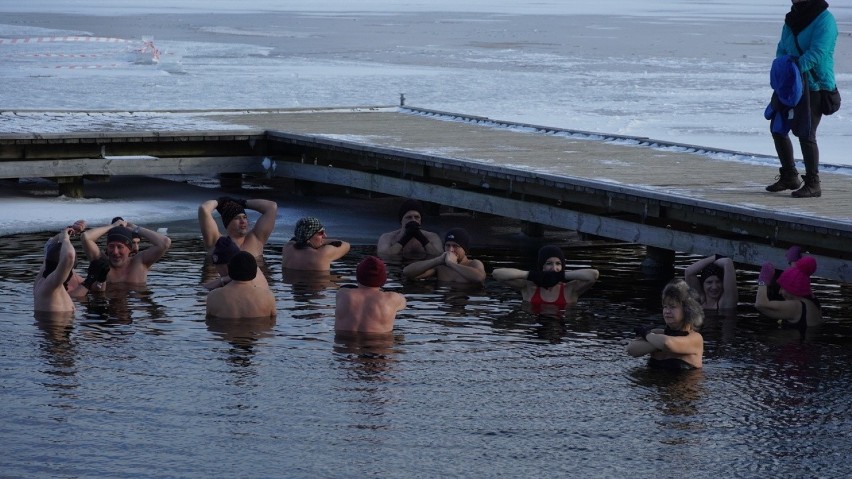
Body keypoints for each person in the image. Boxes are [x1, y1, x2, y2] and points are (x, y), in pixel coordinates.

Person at [765, 0, 837, 198]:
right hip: (790, 83)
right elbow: (782, 47)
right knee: (777, 128)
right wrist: (784, 68)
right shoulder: (792, 19)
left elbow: (819, 52)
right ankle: (789, 176)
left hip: (815, 85)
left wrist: (795, 68)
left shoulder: (825, 20)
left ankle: (813, 183)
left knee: (806, 133)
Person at [625, 278, 705, 370]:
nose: (667, 311)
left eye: (672, 307)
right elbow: (631, 349)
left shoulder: (695, 338)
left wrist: (646, 334)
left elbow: (667, 343)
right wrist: (656, 341)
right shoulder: (657, 334)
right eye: (665, 307)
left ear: (688, 310)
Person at [492, 245, 599, 307]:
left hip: (561, 332)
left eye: (558, 264)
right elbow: (497, 274)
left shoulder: (570, 289)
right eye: (549, 263)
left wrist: (562, 276)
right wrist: (530, 275)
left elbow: (593, 275)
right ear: (541, 266)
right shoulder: (528, 287)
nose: (554, 268)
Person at [80, 218, 171, 288]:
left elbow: (165, 243)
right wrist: (112, 226)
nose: (115, 252)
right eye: (111, 246)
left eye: (120, 247)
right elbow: (86, 237)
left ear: (130, 248)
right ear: (107, 247)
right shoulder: (101, 262)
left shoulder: (140, 262)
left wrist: (135, 228)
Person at [335, 256, 406, 333]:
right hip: (379, 342)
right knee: (400, 338)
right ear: (383, 278)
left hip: (344, 342)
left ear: (358, 276)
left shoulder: (342, 294)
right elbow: (403, 303)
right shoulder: (392, 298)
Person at [198, 196, 278, 260]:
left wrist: (242, 203)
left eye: (244, 217)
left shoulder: (256, 239)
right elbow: (204, 209)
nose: (243, 221)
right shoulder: (216, 242)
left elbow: (271, 207)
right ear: (228, 223)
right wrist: (219, 201)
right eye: (237, 218)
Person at [755, 255, 822, 331]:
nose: (779, 292)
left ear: (793, 289)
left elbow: (760, 304)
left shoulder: (797, 307)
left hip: (796, 342)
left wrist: (763, 280)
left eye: (782, 288)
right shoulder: (813, 300)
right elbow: (800, 278)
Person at [206, 251, 276, 319]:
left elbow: (209, 324)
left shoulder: (213, 296)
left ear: (229, 269)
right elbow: (272, 324)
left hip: (226, 329)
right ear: (255, 271)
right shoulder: (267, 297)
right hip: (256, 329)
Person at [402, 228, 486, 283]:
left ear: (465, 250)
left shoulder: (474, 263)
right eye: (447, 245)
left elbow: (479, 277)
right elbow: (407, 272)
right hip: (444, 301)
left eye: (455, 246)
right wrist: (437, 260)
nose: (450, 250)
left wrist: (452, 264)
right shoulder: (440, 266)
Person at [376, 199, 443, 258]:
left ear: (421, 220)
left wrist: (422, 239)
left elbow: (439, 256)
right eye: (409, 217)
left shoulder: (432, 237)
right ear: (401, 221)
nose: (413, 220)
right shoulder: (387, 237)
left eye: (417, 217)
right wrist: (404, 239)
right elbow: (384, 256)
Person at [281, 217, 350, 271]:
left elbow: (295, 240)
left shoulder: (287, 248)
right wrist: (323, 242)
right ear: (309, 237)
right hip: (317, 287)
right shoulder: (322, 254)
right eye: (321, 233)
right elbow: (346, 245)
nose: (325, 236)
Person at [203, 236, 269, 290]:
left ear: (228, 265)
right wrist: (223, 280)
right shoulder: (250, 269)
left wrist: (223, 280)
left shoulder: (241, 277)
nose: (218, 271)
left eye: (218, 267)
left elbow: (205, 288)